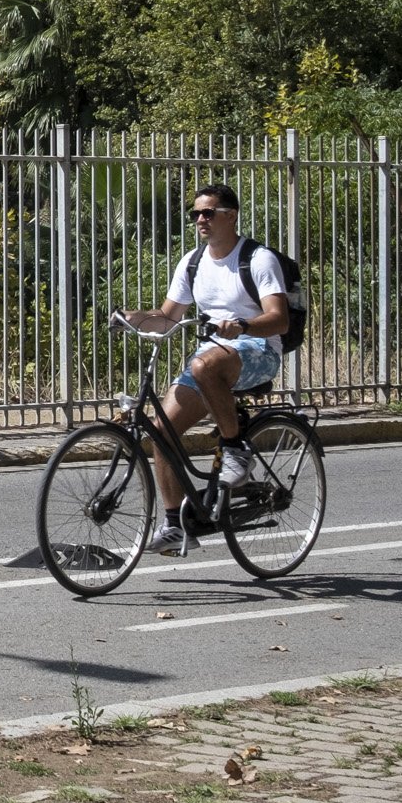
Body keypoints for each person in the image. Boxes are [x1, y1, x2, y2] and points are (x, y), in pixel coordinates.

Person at [116, 183, 288, 554]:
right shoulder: (193, 262)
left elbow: (279, 320)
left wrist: (242, 325)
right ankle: (175, 523)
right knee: (162, 430)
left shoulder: (258, 260)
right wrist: (132, 317)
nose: (200, 220)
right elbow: (166, 318)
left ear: (231, 215)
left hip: (257, 349)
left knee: (203, 362)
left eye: (208, 213)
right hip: (212, 357)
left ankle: (235, 448)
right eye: (195, 214)